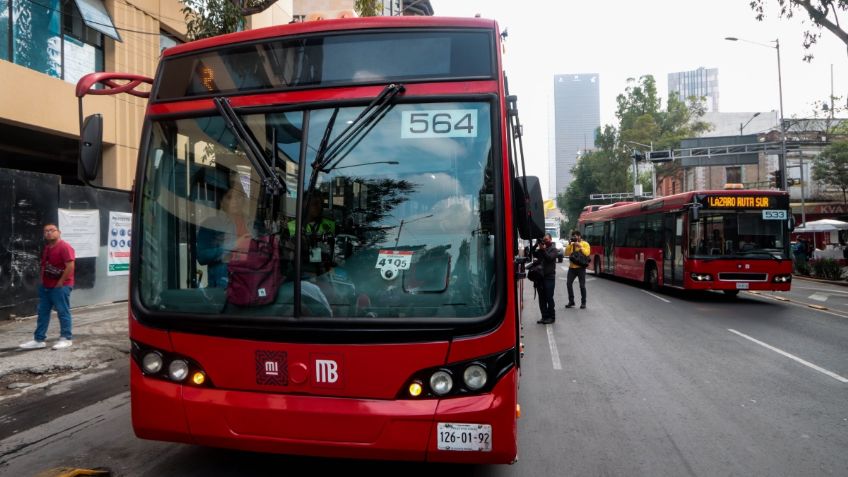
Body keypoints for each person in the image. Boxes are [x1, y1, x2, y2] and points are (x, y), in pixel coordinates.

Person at [19, 223, 76, 350]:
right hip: (46, 286)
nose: (49, 233)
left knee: (63, 311)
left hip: (61, 286)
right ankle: (39, 340)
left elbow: (70, 266)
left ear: (59, 232)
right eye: (46, 231)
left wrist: (61, 282)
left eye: (52, 230)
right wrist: (42, 281)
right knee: (43, 312)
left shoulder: (64, 247)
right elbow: (44, 266)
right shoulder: (47, 248)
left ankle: (66, 338)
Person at [197, 187, 251, 288]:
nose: (235, 201)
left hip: (252, 283)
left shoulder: (253, 223)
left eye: (239, 196)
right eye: (229, 197)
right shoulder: (211, 223)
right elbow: (202, 256)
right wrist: (234, 245)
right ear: (221, 202)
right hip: (225, 287)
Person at [533, 233, 558, 324]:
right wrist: (536, 244)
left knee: (549, 297)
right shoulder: (541, 249)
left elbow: (549, 258)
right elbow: (532, 254)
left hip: (549, 277)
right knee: (542, 298)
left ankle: (552, 317)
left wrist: (543, 250)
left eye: (547, 239)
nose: (545, 241)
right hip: (540, 277)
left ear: (550, 239)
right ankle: (544, 316)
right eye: (544, 240)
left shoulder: (553, 249)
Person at [565, 230, 590, 309]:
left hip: (581, 268)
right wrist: (569, 245)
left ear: (579, 236)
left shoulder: (585, 244)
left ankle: (583, 302)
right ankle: (571, 301)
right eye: (573, 236)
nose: (574, 238)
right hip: (572, 268)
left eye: (575, 236)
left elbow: (587, 253)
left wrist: (580, 246)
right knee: (569, 284)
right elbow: (566, 253)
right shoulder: (572, 245)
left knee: (582, 286)